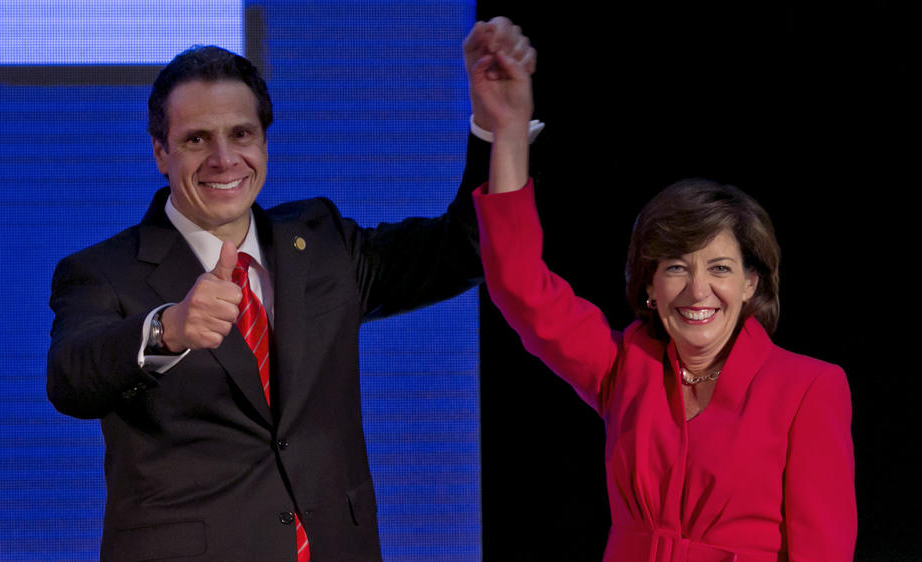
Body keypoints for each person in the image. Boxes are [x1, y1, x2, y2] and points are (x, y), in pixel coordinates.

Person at [47, 19, 536, 561]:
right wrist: (168, 330)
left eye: (241, 134)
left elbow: (462, 251)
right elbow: (70, 379)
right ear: (160, 152)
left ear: (264, 139)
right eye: (195, 139)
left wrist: (501, 132)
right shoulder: (104, 271)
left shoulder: (321, 243)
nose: (224, 159)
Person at [470, 49, 856, 560]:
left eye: (720, 268)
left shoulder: (809, 388)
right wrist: (510, 130)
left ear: (750, 284)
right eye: (676, 267)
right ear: (649, 285)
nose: (698, 291)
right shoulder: (626, 367)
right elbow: (518, 286)